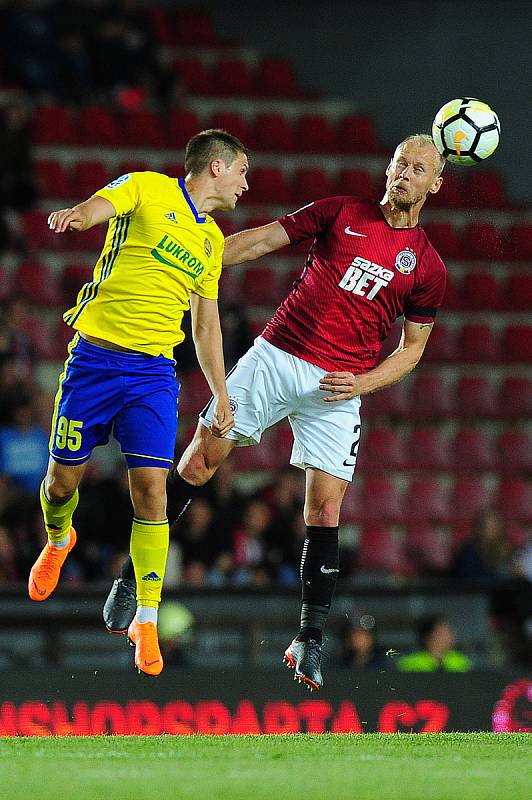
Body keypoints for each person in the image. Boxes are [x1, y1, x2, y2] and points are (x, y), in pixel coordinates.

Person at [104, 133, 447, 690]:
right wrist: (197, 258)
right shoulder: (341, 212)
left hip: (337, 387)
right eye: (398, 164)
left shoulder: (427, 267)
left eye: (417, 169)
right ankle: (131, 580)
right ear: (387, 169)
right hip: (277, 355)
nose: (403, 174)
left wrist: (362, 381)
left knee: (326, 510)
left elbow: (412, 349)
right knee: (198, 462)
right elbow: (264, 239)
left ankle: (309, 638)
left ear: (435, 184)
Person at [27, 129, 249, 677]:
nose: (247, 182)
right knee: (62, 483)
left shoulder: (213, 242)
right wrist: (78, 215)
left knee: (152, 490)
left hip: (152, 373)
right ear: (216, 167)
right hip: (94, 361)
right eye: (242, 170)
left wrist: (221, 394)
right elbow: (102, 203)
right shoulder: (148, 188)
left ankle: (145, 617)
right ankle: (60, 536)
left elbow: (205, 324)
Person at [396, 615, 472, 672]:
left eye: (449, 632)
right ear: (428, 636)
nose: (450, 636)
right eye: (442, 633)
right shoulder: (409, 664)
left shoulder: (462, 662)